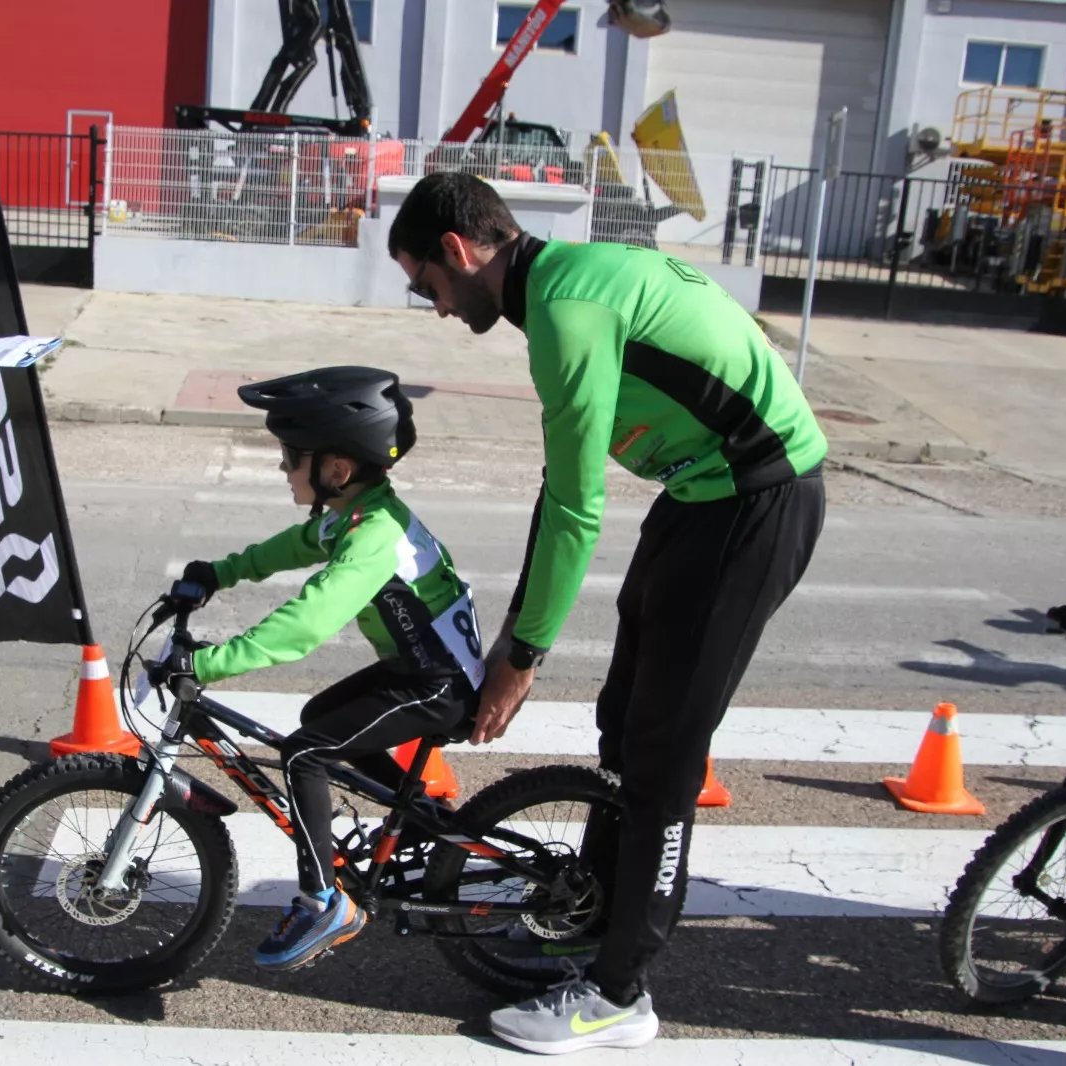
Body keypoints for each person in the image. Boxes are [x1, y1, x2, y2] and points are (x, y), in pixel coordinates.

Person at [387, 172, 828, 1055]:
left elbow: (576, 502)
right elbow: (568, 487)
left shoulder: (565, 309)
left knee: (665, 758)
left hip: (755, 505)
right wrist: (520, 630)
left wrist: (525, 650)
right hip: (702, 497)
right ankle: (585, 918)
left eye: (425, 284)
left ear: (459, 252)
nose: (432, 307)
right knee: (624, 729)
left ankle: (621, 996)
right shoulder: (566, 279)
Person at [153, 366, 486, 972]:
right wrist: (218, 572)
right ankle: (422, 820)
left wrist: (208, 664)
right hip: (418, 671)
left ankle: (323, 899)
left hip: (439, 686)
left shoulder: (373, 537)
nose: (284, 469)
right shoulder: (355, 513)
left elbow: (305, 624)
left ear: (336, 470)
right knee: (319, 719)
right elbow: (290, 547)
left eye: (290, 457)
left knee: (308, 751)